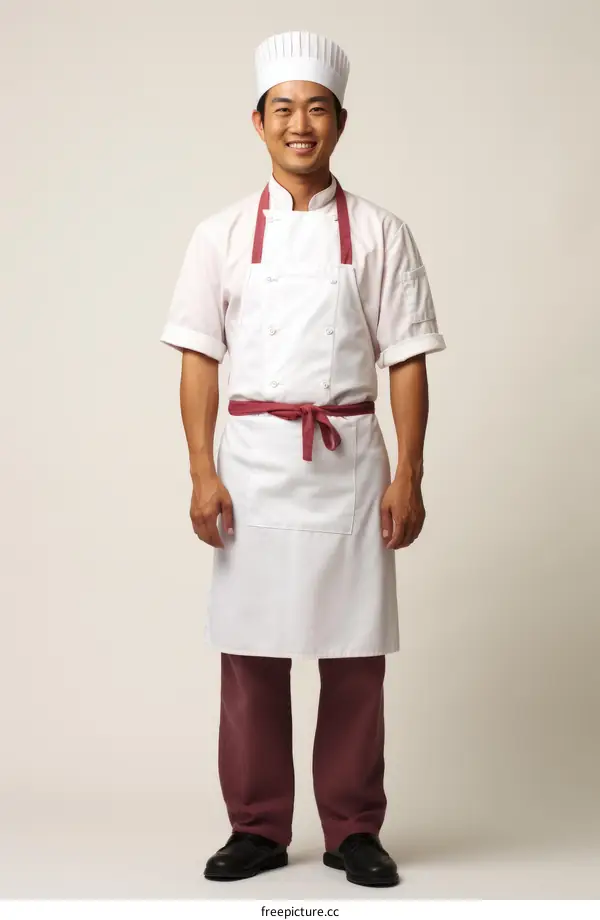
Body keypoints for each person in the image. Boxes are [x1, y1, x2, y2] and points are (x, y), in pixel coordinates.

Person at [160, 30, 446, 888]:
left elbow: (407, 360)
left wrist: (409, 474)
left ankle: (355, 829)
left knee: (355, 660)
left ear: (340, 122)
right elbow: (198, 358)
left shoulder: (384, 234)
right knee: (251, 659)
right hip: (251, 467)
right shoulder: (217, 235)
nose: (300, 124)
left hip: (350, 463)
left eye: (316, 109)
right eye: (283, 109)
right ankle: (256, 828)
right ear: (257, 122)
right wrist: (202, 470)